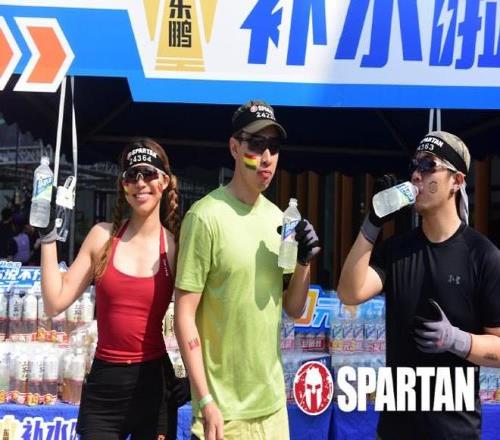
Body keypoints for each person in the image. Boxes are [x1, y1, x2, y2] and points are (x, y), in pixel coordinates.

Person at [337, 131, 500, 440]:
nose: (416, 175)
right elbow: (350, 292)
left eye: (428, 166)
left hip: (455, 432)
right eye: (414, 165)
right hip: (395, 430)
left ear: (457, 181)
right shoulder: (397, 250)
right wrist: (372, 222)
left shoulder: (483, 256)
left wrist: (457, 340)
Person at [174, 100, 321, 440]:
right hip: (223, 414)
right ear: (234, 148)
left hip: (272, 408)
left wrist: (304, 262)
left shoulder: (280, 219)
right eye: (256, 144)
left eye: (274, 146)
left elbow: (293, 308)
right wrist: (205, 399)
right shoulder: (204, 217)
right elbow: (184, 315)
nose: (266, 157)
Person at [39, 139, 181, 440]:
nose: (140, 183)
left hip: (154, 384)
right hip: (105, 385)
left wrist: (195, 378)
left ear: (165, 181)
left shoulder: (174, 247)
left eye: (148, 173)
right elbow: (54, 303)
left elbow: (199, 315)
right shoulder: (102, 237)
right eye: (131, 176)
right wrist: (48, 238)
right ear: (123, 185)